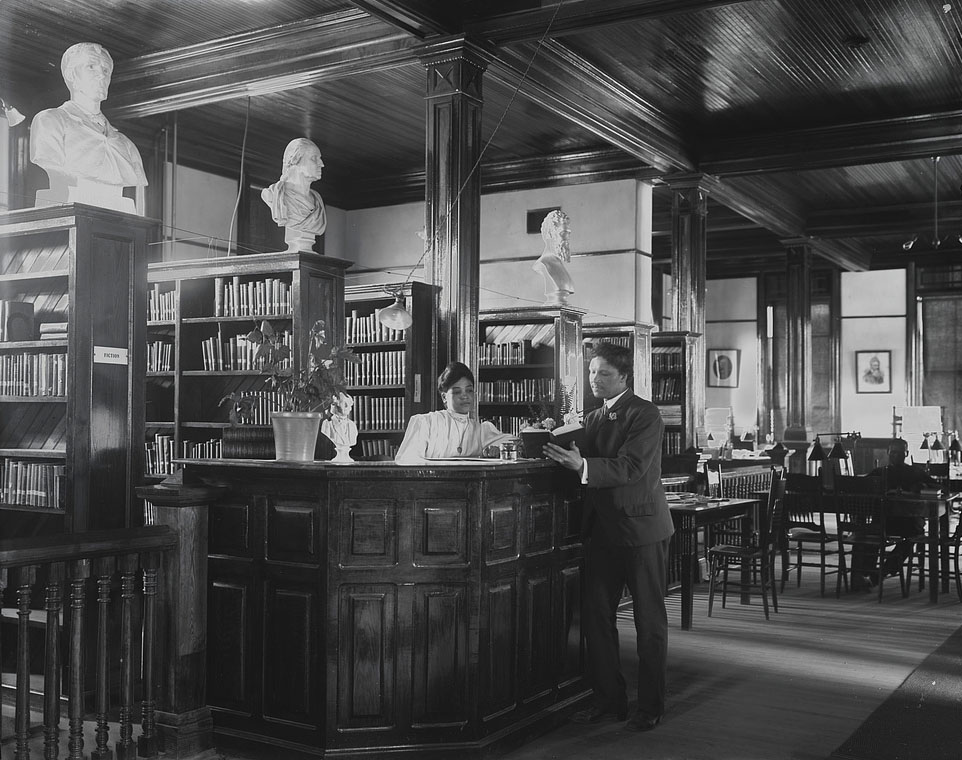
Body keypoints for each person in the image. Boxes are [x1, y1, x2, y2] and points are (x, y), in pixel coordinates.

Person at [543, 342, 674, 732]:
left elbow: (631, 467)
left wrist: (582, 464)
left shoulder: (646, 414)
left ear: (624, 377)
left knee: (648, 621)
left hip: (641, 529)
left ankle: (650, 706)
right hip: (602, 531)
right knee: (596, 618)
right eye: (591, 372)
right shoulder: (595, 416)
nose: (594, 379)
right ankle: (608, 700)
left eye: (603, 373)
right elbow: (583, 464)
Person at [30, 42, 148, 213]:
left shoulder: (127, 145)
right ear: (72, 75)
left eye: (106, 71)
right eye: (91, 67)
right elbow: (49, 161)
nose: (101, 75)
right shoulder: (50, 121)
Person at [394, 362, 514, 464]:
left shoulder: (480, 430)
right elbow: (408, 460)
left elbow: (513, 442)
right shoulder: (427, 423)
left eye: (469, 390)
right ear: (444, 397)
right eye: (457, 392)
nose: (465, 396)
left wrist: (496, 450)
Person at [261, 137, 327, 253]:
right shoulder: (274, 195)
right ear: (296, 161)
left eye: (320, 159)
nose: (321, 164)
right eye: (314, 158)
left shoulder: (317, 200)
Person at [532, 209, 574, 306]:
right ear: (549, 234)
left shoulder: (559, 264)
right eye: (563, 234)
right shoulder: (543, 264)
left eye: (569, 234)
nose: (567, 238)